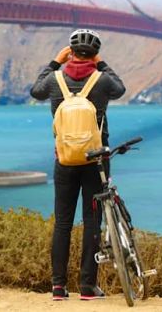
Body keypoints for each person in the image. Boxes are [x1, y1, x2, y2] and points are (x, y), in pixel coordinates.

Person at [30, 29, 126, 301]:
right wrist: (102, 63)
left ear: (70, 52)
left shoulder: (54, 80)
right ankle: (87, 286)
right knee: (92, 221)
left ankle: (58, 287)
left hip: (64, 160)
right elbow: (120, 89)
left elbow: (35, 91)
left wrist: (54, 62)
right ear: (94, 55)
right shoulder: (102, 80)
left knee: (62, 223)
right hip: (96, 161)